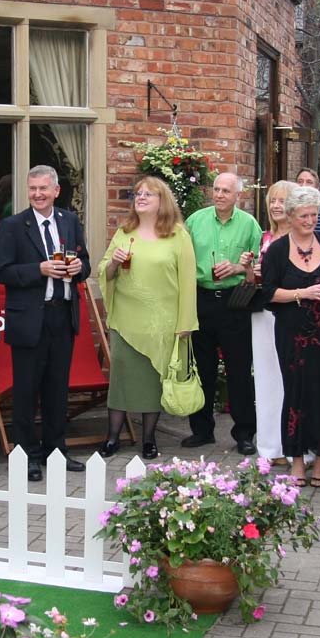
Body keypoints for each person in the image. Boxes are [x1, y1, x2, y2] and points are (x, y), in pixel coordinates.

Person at [0, 166, 91, 481]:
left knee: (57, 389)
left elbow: (86, 262)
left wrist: (78, 268)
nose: (37, 194)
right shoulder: (12, 225)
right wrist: (40, 269)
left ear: (56, 191)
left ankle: (56, 451)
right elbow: (1, 271)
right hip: (29, 318)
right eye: (32, 188)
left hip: (62, 315)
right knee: (26, 391)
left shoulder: (69, 220)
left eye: (43, 189)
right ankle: (27, 456)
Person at [260, 185, 320, 487]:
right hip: (292, 333)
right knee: (296, 393)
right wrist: (303, 293)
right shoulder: (277, 250)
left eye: (314, 215)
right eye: (304, 216)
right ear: (290, 216)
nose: (310, 220)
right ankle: (298, 461)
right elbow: (268, 293)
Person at [97, 176, 198, 460]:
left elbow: (188, 281)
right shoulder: (124, 232)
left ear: (162, 201)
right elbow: (104, 272)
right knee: (120, 380)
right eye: (138, 193)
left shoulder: (178, 235)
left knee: (153, 381)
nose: (140, 197)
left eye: (148, 194)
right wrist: (114, 262)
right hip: (126, 321)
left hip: (161, 324)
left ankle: (149, 439)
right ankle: (112, 437)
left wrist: (185, 324)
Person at [182, 172, 261, 453]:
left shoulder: (250, 225)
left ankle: (244, 434)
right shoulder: (195, 221)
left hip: (234, 302)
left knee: (239, 369)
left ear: (238, 195)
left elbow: (257, 271)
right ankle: (202, 431)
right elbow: (181, 259)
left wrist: (239, 267)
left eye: (226, 191)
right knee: (202, 369)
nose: (219, 195)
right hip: (201, 299)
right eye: (216, 189)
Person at [253, 181, 294, 462]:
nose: (276, 205)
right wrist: (250, 268)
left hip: (288, 311)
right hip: (262, 314)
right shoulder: (265, 237)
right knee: (266, 380)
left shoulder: (300, 238)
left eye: (282, 200)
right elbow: (257, 280)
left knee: (288, 379)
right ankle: (270, 446)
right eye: (273, 200)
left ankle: (293, 446)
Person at [294, 168, 320, 237]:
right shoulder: (289, 210)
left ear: (316, 188)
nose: (304, 185)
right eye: (300, 181)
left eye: (309, 182)